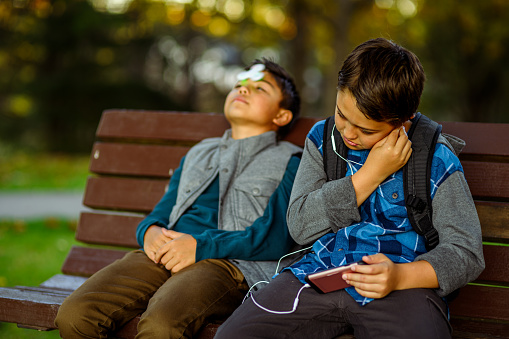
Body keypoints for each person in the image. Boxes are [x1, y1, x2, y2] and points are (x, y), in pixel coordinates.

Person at [215, 38, 485, 339]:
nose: (347, 132)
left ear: (405, 120)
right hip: (319, 275)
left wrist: (400, 276)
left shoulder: (434, 157)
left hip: (401, 285)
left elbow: (466, 251)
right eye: (341, 114)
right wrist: (370, 174)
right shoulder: (322, 139)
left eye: (366, 129)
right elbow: (301, 226)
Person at [55, 58, 303, 338]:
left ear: (282, 116)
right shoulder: (199, 152)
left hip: (229, 265)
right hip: (165, 253)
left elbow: (275, 236)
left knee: (161, 325)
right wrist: (148, 231)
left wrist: (199, 247)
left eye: (259, 88)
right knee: (75, 314)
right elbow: (163, 210)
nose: (243, 90)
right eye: (239, 84)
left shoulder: (289, 161)